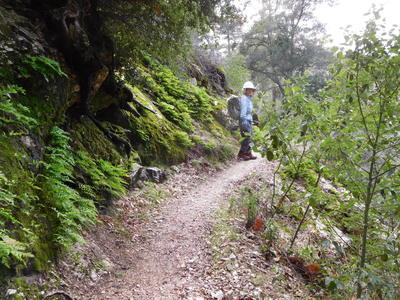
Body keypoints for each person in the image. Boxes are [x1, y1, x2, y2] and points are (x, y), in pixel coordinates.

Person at [238, 81, 257, 160]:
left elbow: (249, 112)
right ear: (245, 90)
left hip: (249, 120)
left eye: (252, 90)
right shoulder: (244, 98)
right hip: (244, 121)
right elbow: (243, 111)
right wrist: (244, 120)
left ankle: (248, 153)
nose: (251, 91)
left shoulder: (249, 99)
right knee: (246, 138)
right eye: (249, 89)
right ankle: (241, 154)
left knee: (251, 138)